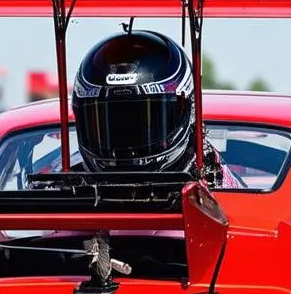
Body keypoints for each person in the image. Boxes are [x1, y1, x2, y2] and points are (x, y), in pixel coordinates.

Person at [70, 28, 240, 185]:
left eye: (142, 122)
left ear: (186, 110)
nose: (127, 135)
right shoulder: (64, 184)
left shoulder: (216, 181)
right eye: (116, 122)